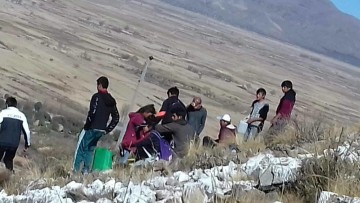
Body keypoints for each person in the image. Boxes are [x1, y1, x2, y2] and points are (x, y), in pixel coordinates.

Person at [73, 76, 119, 174]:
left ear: (100, 85)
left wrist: (87, 125)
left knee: (81, 149)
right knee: (90, 150)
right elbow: (116, 117)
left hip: (92, 128)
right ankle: (86, 171)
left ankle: (76, 171)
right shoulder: (111, 101)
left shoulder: (96, 97)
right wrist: (107, 129)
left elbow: (92, 113)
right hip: (101, 130)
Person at [0, 97, 31, 172]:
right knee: (8, 160)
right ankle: (9, 178)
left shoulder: (3, 113)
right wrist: (27, 144)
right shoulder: (22, 115)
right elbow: (27, 132)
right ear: (16, 105)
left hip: (2, 141)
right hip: (14, 143)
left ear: (7, 104)